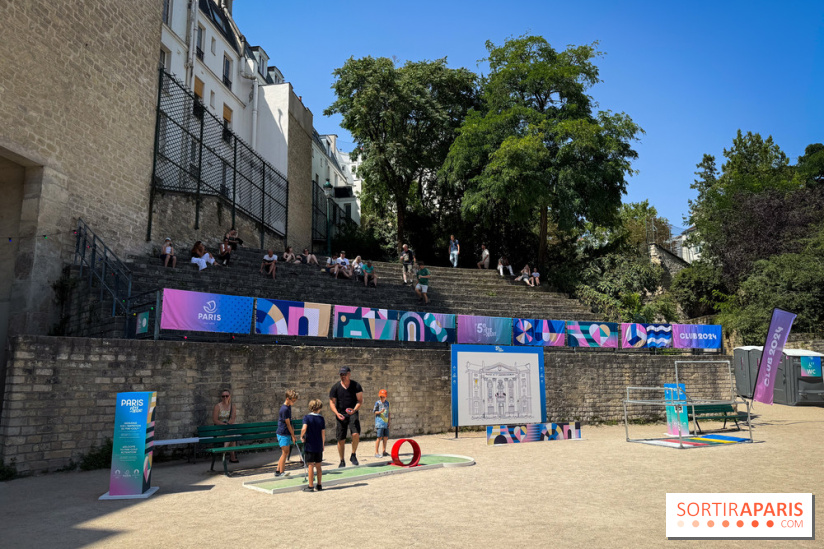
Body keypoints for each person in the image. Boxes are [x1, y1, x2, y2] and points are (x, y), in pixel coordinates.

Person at [329, 365, 363, 468]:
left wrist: (355, 410)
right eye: (341, 374)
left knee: (355, 434)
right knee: (341, 439)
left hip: (352, 413)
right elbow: (331, 402)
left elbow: (360, 401)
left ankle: (353, 454)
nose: (342, 376)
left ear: (349, 374)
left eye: (344, 374)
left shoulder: (356, 386)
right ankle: (342, 460)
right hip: (341, 415)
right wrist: (336, 413)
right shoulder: (335, 387)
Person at [300, 399, 326, 492]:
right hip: (318, 444)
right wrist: (323, 444)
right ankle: (319, 485)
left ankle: (310, 486)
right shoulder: (321, 418)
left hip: (310, 444)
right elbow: (323, 433)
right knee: (318, 465)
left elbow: (304, 428)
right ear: (319, 408)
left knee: (310, 465)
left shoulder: (306, 417)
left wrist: (301, 436)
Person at [275, 389, 298, 477]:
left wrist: (292, 433)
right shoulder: (284, 409)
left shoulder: (288, 407)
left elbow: (290, 422)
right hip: (282, 433)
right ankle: (281, 472)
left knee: (285, 453)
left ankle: (278, 471)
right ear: (288, 399)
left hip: (286, 433)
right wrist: (293, 436)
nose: (294, 402)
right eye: (293, 401)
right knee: (285, 453)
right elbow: (288, 424)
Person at [212, 389, 238, 463]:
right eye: (223, 396)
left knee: (230, 434)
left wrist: (227, 425)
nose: (225, 398)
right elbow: (215, 420)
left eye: (227, 396)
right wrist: (224, 424)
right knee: (231, 435)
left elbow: (233, 418)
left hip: (228, 427)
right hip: (220, 428)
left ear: (230, 396)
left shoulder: (233, 406)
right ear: (221, 397)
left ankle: (224, 452)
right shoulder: (217, 406)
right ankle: (232, 456)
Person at [373, 389, 391, 458]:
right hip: (379, 423)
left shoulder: (388, 403)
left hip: (385, 422)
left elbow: (389, 412)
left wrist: (389, 421)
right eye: (381, 397)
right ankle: (376, 452)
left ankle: (384, 451)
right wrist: (380, 412)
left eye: (383, 397)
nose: (382, 398)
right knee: (379, 437)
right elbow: (374, 412)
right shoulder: (377, 403)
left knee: (386, 437)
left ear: (386, 397)